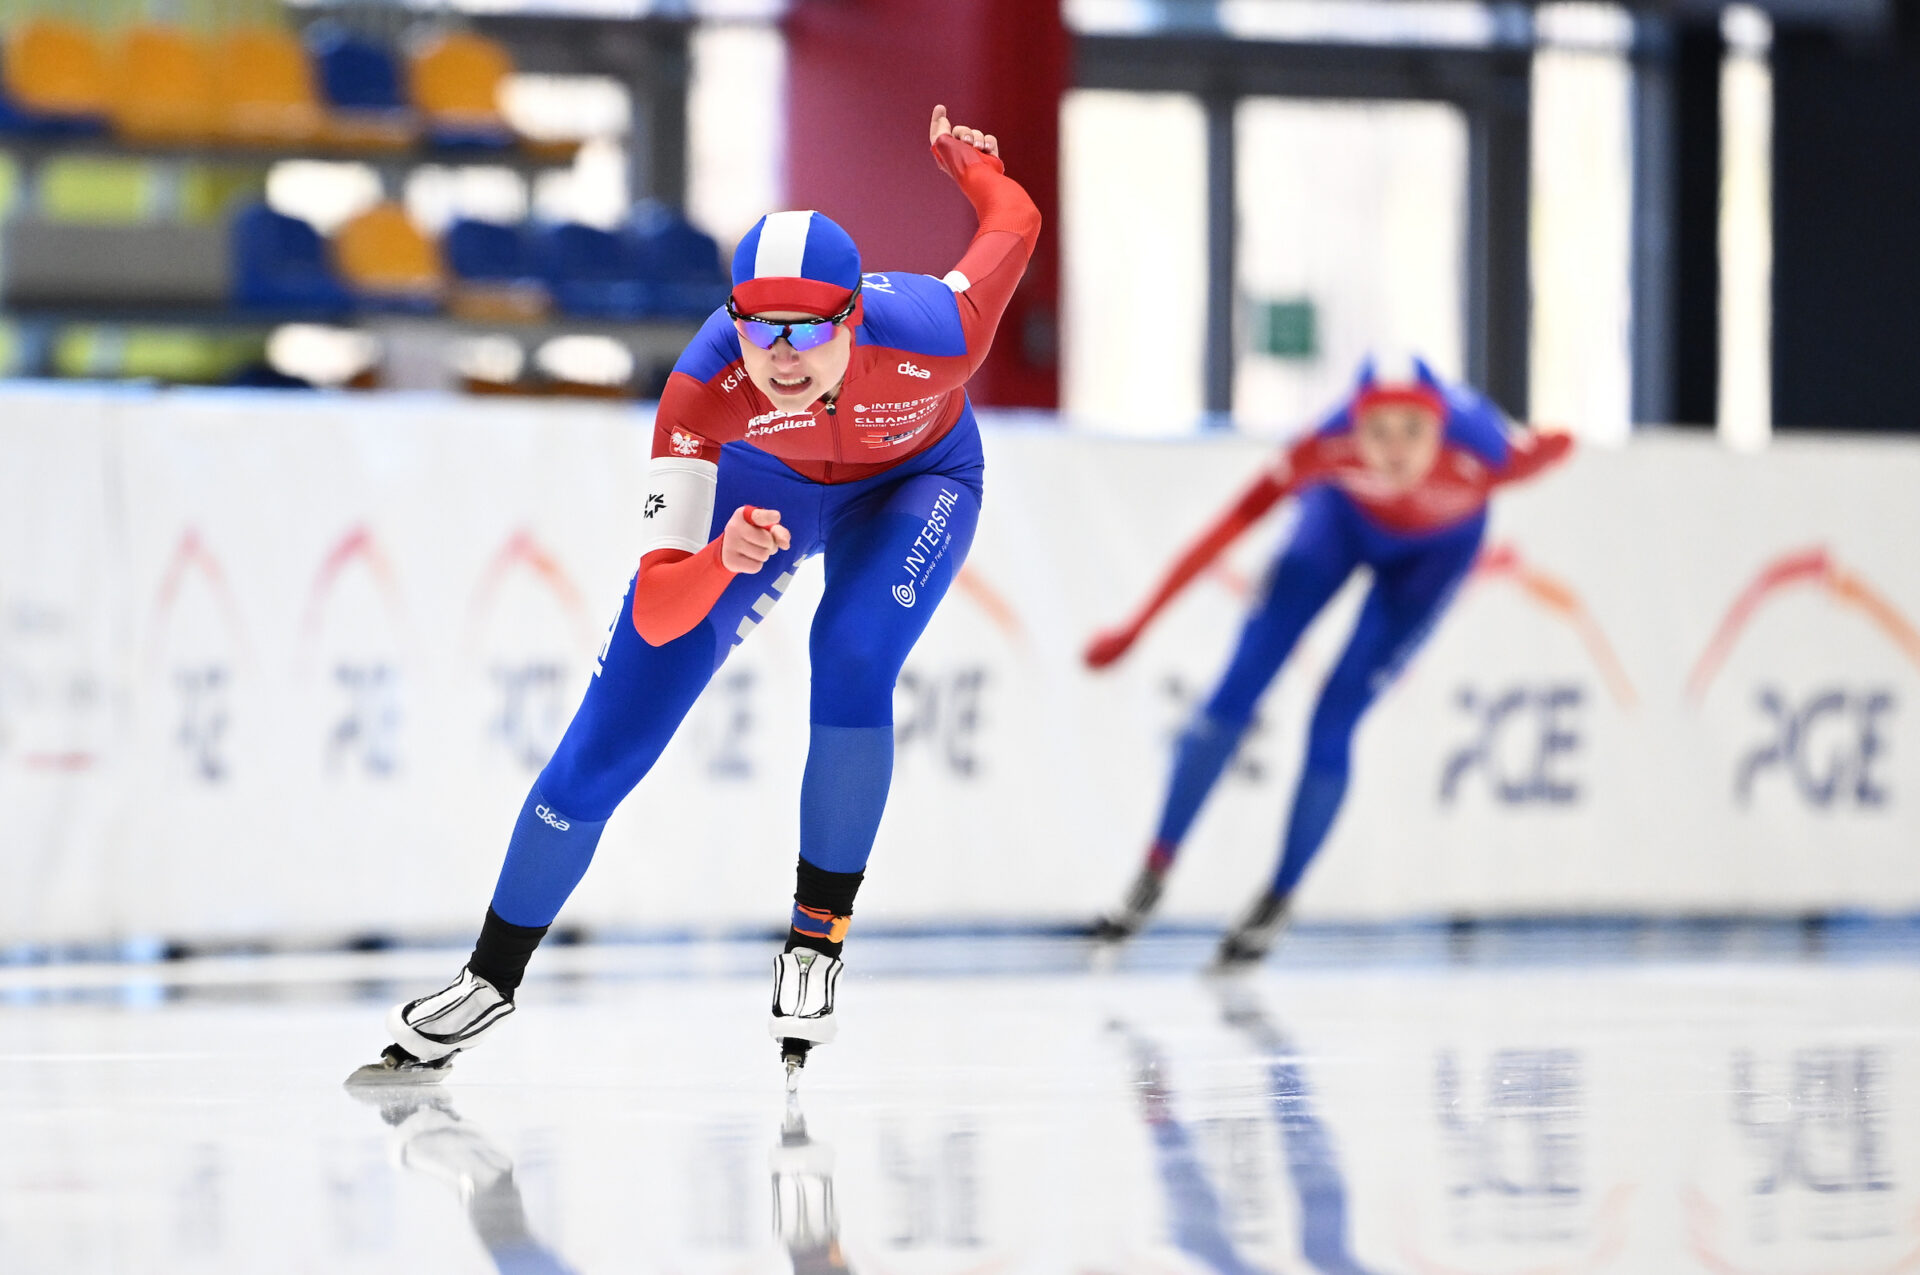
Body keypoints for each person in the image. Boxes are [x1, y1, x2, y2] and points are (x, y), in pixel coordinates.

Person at [351, 104, 1040, 1085]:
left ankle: (815, 943)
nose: (783, 357)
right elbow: (658, 606)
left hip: (915, 482)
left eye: (809, 329)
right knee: (607, 742)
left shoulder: (941, 332)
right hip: (760, 492)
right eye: (760, 328)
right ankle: (488, 978)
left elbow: (1014, 221)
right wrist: (722, 558)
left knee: (851, 656)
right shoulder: (702, 391)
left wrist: (971, 169)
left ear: (854, 317)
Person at [1084, 357, 1572, 966]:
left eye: (1412, 431)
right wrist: (1135, 627)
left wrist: (1552, 447)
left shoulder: (1488, 451)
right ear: (1354, 427)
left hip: (1434, 560)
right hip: (1336, 526)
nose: (1395, 452)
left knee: (1333, 721)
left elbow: (1554, 446)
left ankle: (1276, 900)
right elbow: (1223, 530)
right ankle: (1153, 872)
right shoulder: (1323, 444)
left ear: (1441, 425)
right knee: (1236, 688)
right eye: (1379, 432)